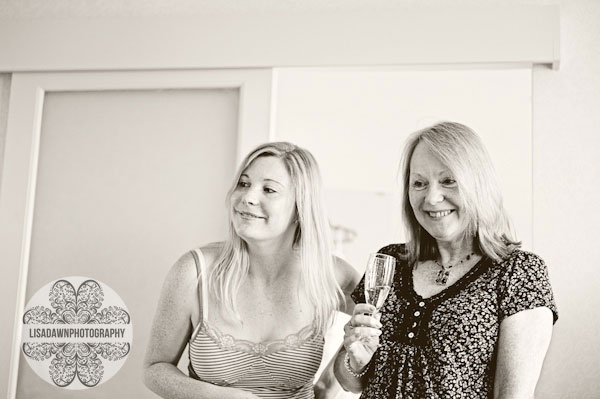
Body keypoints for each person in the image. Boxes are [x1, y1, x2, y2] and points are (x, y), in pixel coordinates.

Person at [334, 121, 558, 398]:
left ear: (478, 185)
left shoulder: (518, 272)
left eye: (448, 180)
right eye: (419, 183)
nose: (432, 197)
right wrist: (355, 360)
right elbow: (349, 381)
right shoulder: (389, 261)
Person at [143, 141, 359, 399]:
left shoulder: (334, 276)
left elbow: (375, 346)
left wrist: (325, 388)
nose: (247, 198)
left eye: (269, 189)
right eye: (243, 184)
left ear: (300, 207)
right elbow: (155, 370)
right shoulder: (193, 272)